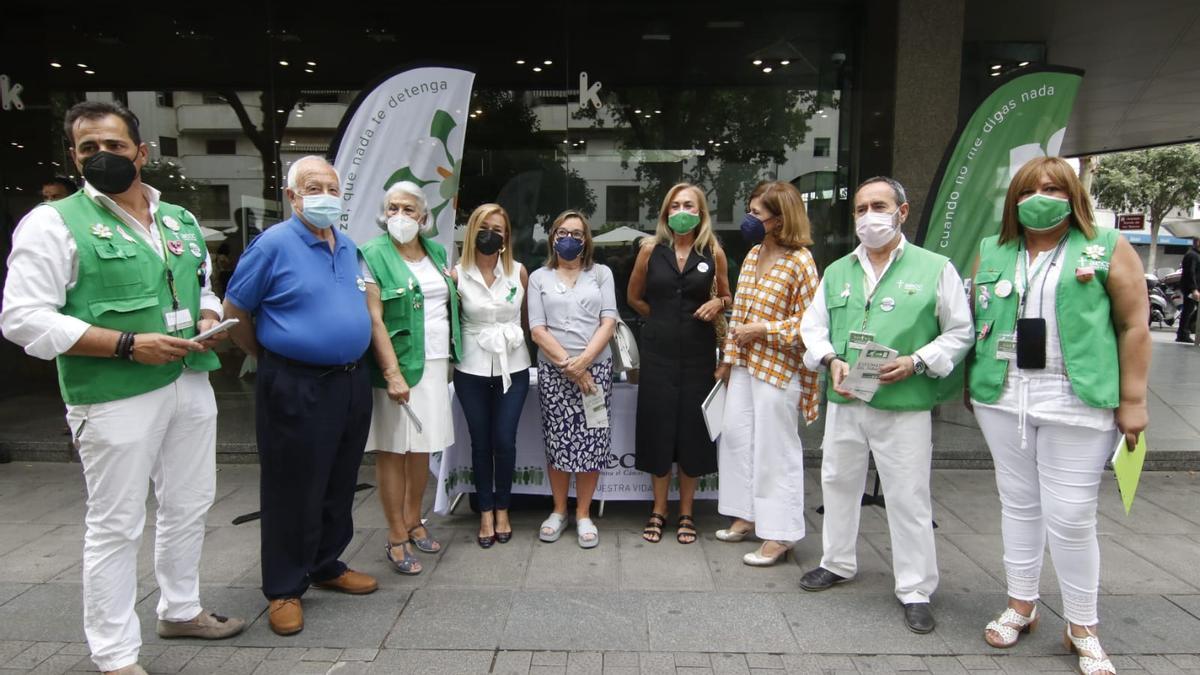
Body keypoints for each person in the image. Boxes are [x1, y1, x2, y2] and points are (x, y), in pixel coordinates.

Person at [1, 101, 244, 675]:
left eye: (113, 146)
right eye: (88, 149)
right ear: (74, 157)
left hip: (188, 378)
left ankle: (180, 609)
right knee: (116, 522)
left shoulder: (179, 219)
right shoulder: (53, 222)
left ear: (141, 151)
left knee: (188, 503)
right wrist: (126, 344)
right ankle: (114, 654)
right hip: (113, 391)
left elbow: (201, 290)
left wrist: (209, 320)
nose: (102, 157)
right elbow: (22, 317)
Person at [969, 157, 1149, 674]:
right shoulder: (993, 250)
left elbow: (1135, 325)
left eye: (1052, 187)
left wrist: (1133, 400)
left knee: (1071, 515)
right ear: (1014, 199)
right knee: (1018, 504)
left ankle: (1082, 625)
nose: (1040, 196)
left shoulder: (1107, 246)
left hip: (1077, 395)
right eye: (1030, 189)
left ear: (1073, 195)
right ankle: (1021, 604)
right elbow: (979, 318)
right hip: (1003, 396)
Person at [797, 176, 973, 634]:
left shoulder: (935, 268)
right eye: (860, 209)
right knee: (837, 481)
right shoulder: (837, 270)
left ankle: (915, 588)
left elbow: (960, 331)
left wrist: (917, 361)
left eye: (878, 205)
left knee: (908, 493)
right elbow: (811, 328)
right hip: (848, 399)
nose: (869, 216)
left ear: (902, 211)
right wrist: (831, 359)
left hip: (904, 403)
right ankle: (837, 562)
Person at [223, 155, 377, 637]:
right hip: (296, 382)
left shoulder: (347, 244)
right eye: (314, 187)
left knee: (339, 477)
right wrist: (274, 357)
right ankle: (284, 587)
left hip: (350, 381)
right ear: (292, 196)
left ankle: (325, 562)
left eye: (332, 187)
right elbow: (236, 311)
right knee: (293, 486)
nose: (325, 195)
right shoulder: (272, 244)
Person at [713, 181, 820, 567]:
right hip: (743, 365)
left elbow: (810, 325)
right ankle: (747, 514)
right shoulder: (755, 253)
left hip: (779, 367)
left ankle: (781, 534)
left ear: (779, 218)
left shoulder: (801, 261)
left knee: (776, 449)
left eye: (757, 213)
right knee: (738, 439)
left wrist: (763, 330)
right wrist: (727, 360)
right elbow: (738, 313)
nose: (749, 219)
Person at [360, 181, 461, 571]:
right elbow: (373, 317)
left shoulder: (436, 251)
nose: (400, 216)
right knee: (392, 450)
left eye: (408, 209)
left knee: (422, 448)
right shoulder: (372, 253)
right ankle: (395, 534)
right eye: (392, 208)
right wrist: (391, 372)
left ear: (424, 216)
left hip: (435, 365)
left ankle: (414, 520)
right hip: (399, 367)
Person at [627, 183, 730, 545]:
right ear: (665, 213)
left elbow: (726, 294)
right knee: (658, 431)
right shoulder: (650, 251)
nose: (681, 211)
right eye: (675, 205)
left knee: (692, 433)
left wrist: (719, 304)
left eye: (688, 205)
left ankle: (686, 511)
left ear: (701, 213)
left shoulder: (713, 252)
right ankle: (659, 509)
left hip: (700, 356)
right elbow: (634, 296)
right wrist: (659, 321)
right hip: (658, 356)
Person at [527, 210, 618, 548]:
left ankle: (583, 514)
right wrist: (569, 365)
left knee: (592, 441)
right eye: (563, 232)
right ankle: (558, 510)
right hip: (555, 371)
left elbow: (608, 321)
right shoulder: (539, 277)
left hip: (596, 370)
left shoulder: (602, 274)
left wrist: (584, 364)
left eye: (578, 234)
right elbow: (537, 329)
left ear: (586, 240)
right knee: (558, 441)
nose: (570, 239)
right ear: (552, 237)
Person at [451, 203, 530, 548]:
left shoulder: (518, 272)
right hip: (471, 368)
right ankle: (485, 511)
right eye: (485, 227)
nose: (491, 234)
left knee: (504, 440)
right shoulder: (456, 275)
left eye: (499, 229)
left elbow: (527, 321)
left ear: (506, 237)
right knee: (480, 442)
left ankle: (503, 508)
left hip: (514, 366)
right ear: (472, 230)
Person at [1176, 236, 1199, 343]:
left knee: (1189, 310)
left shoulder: (1195, 255)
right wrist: (1194, 289)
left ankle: (1185, 332)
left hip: (1194, 288)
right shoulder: (1192, 255)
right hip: (1192, 288)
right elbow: (1190, 273)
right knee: (1188, 311)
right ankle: (1183, 333)